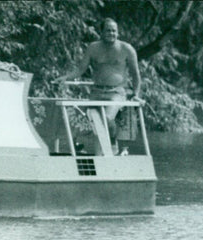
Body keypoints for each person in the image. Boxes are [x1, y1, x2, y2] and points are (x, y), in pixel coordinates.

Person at [55, 18, 141, 155]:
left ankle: (113, 144)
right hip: (96, 92)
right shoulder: (93, 48)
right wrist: (65, 78)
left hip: (116, 93)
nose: (111, 33)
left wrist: (136, 95)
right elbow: (80, 70)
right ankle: (78, 147)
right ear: (101, 32)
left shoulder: (127, 49)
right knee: (79, 121)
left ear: (118, 33)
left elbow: (136, 75)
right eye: (108, 30)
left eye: (114, 31)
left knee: (105, 119)